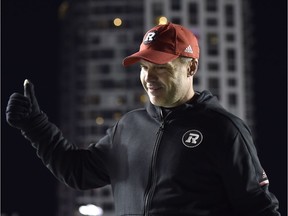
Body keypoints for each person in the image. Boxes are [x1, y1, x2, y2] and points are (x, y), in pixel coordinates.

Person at [6, 22, 280, 216]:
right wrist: (35, 125)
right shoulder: (128, 127)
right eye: (145, 67)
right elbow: (77, 172)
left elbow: (260, 209)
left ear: (191, 67)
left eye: (161, 68)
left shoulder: (223, 129)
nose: (149, 77)